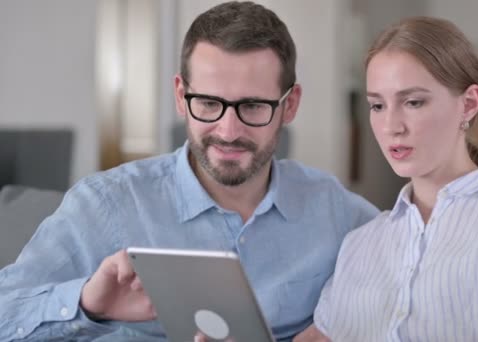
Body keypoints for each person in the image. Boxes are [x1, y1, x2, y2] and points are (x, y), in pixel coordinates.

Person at [0, 2, 379, 341]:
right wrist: (87, 306)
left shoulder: (335, 211)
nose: (229, 131)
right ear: (181, 97)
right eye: (210, 103)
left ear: (289, 105)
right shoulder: (104, 205)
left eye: (253, 107)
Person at [296, 16, 478, 341]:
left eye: (413, 102)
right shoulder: (359, 243)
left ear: (469, 104)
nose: (391, 126)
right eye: (377, 105)